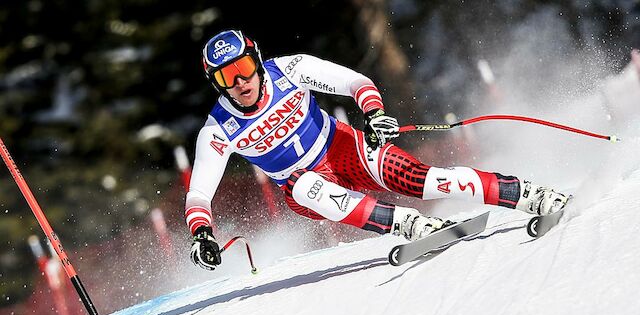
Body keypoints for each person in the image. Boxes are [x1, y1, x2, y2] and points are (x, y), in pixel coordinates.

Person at [185, 30, 569, 271]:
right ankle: (407, 224)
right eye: (226, 77)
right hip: (305, 186)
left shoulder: (290, 69)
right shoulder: (219, 129)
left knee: (427, 181)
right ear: (215, 83)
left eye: (244, 68)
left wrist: (373, 113)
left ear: (256, 61)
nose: (240, 82)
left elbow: (355, 81)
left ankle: (529, 195)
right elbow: (200, 192)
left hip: (342, 148)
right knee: (303, 186)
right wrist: (202, 233)